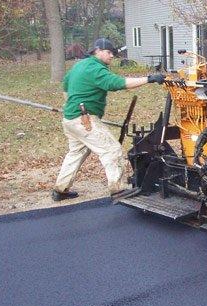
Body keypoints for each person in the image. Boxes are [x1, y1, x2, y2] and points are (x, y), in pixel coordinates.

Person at [52, 38, 165, 201]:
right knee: (111, 149)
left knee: (76, 153)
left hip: (70, 119)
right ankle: (117, 190)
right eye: (109, 52)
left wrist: (70, 104)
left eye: (113, 53)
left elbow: (65, 86)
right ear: (97, 51)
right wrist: (149, 79)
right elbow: (117, 83)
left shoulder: (79, 66)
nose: (112, 56)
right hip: (84, 120)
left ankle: (60, 189)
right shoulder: (95, 69)